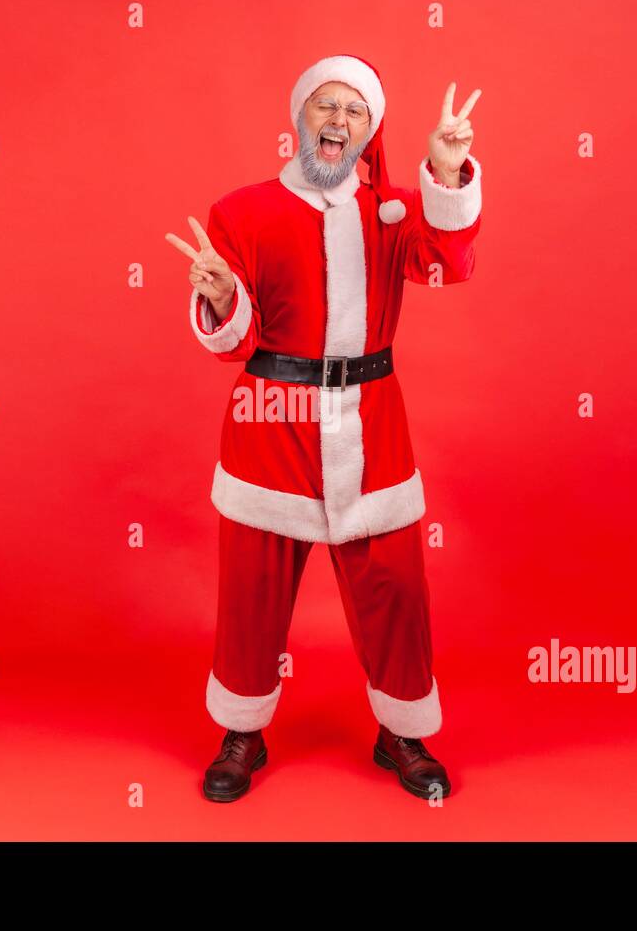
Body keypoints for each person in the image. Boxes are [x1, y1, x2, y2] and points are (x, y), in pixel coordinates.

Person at [164, 53, 482, 802]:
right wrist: (218, 297)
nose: (338, 121)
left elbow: (450, 262)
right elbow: (234, 341)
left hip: (373, 421)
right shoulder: (240, 212)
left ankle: (401, 729)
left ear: (369, 130)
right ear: (300, 117)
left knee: (396, 584)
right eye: (326, 106)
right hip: (271, 423)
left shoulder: (393, 212)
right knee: (253, 588)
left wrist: (447, 176)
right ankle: (243, 728)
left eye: (355, 112)